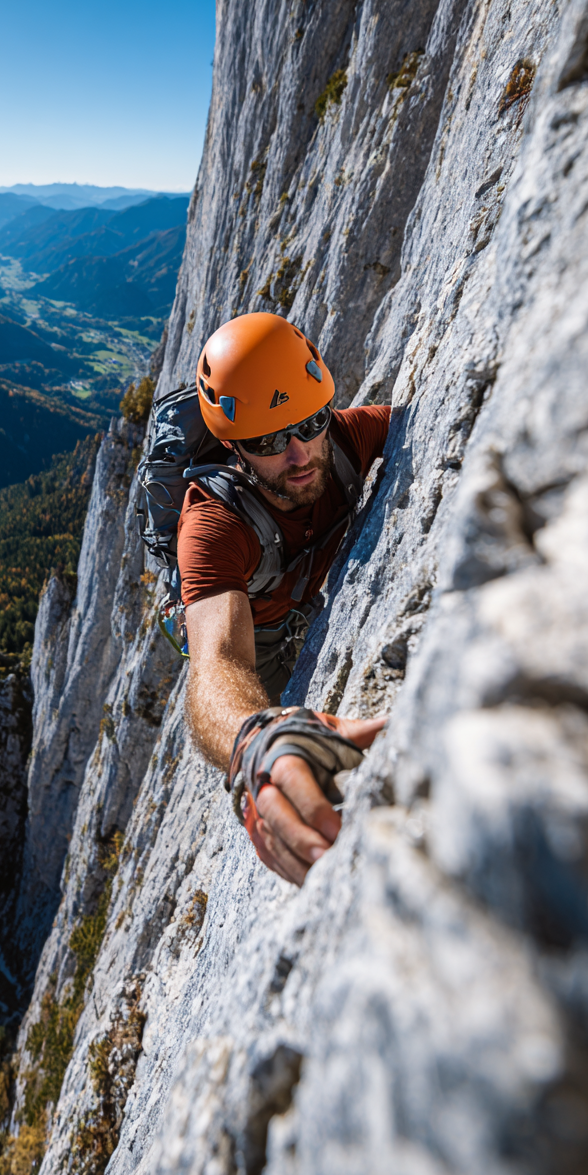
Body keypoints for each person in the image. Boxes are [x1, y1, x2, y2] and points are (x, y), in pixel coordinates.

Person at [178, 312, 390, 885]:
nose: (299, 455)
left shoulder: (344, 440)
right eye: (269, 441)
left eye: (310, 422)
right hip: (260, 645)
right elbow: (217, 663)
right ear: (233, 446)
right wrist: (253, 742)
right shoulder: (214, 524)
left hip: (307, 613)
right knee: (276, 760)